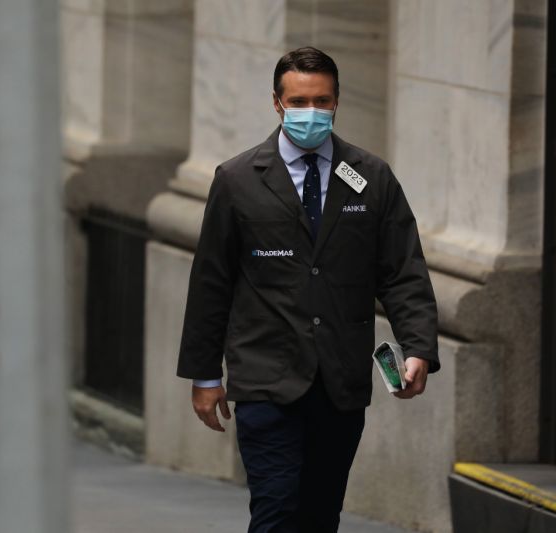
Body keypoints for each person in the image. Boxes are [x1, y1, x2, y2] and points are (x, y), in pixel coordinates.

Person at [176, 47, 439, 533]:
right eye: (299, 101)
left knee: (319, 515)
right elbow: (211, 280)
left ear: (338, 101)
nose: (311, 113)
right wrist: (204, 375)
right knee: (276, 511)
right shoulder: (237, 180)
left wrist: (419, 346)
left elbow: (402, 270)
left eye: (322, 101)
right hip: (265, 378)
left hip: (339, 382)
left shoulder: (370, 179)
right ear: (277, 103)